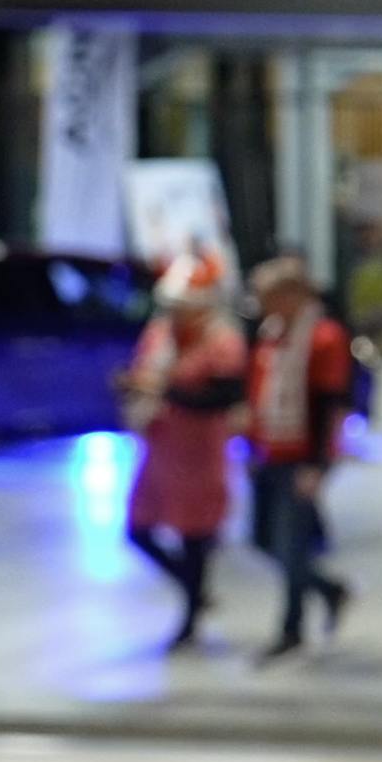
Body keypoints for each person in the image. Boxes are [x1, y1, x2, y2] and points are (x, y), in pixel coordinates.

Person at [120, 251, 249, 654]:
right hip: (160, 448)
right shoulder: (159, 336)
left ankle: (191, 615)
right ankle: (191, 588)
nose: (176, 315)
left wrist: (171, 392)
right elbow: (145, 373)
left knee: (196, 536)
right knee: (139, 529)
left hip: (200, 451)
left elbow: (224, 397)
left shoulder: (222, 342)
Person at [244, 256, 354, 663]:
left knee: (291, 546)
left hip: (300, 457)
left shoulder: (324, 337)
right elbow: (260, 393)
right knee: (260, 539)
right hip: (269, 451)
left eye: (268, 295)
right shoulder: (270, 336)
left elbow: (330, 403)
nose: (261, 303)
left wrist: (319, 463)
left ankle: (290, 629)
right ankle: (328, 589)